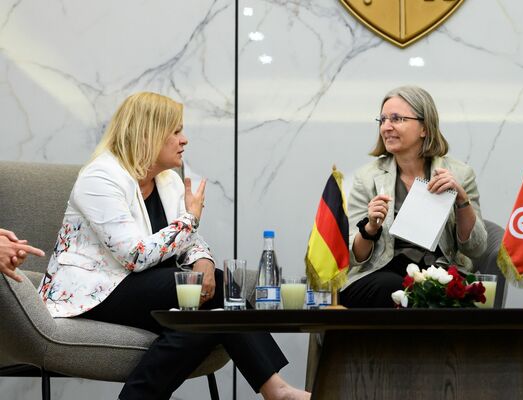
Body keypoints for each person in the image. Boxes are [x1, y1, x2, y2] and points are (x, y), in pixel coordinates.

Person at [37, 92, 309, 400]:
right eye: (176, 131)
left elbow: (188, 242)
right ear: (147, 134)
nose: (185, 140)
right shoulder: (100, 178)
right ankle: (278, 391)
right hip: (97, 291)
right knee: (221, 288)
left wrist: (203, 261)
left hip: (147, 286)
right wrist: (191, 221)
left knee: (206, 317)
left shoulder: (169, 181)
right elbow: (135, 255)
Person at [340, 85, 488, 308]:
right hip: (379, 274)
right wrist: (369, 228)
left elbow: (476, 248)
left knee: (449, 292)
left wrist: (461, 199)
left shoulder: (459, 174)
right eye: (382, 120)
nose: (386, 127)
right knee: (394, 287)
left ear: (424, 128)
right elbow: (353, 257)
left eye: (397, 119)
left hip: (438, 274)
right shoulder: (367, 178)